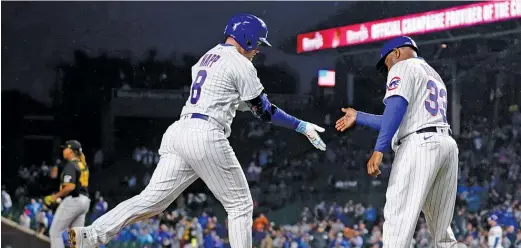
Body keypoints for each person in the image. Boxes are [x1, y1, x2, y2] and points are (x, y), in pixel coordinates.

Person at [69, 13, 326, 248]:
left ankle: (90, 235)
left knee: (150, 200)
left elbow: (230, 100)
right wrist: (301, 126)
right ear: (246, 39)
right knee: (240, 205)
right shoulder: (240, 63)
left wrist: (248, 106)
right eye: (257, 42)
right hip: (205, 133)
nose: (258, 49)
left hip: (180, 131)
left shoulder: (208, 56)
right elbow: (264, 112)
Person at [336, 36, 458, 247]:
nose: (388, 68)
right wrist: (359, 116)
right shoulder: (433, 74)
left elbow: (395, 108)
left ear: (397, 53)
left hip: (419, 146)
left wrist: (378, 149)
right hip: (445, 145)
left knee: (398, 219)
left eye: (387, 62)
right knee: (442, 232)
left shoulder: (402, 66)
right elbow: (397, 120)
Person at [47, 140, 91, 248]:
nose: (63, 150)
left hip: (74, 200)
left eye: (65, 148)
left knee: (55, 232)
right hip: (85, 201)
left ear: (71, 151)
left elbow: (70, 187)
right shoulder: (83, 165)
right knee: (75, 236)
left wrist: (55, 197)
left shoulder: (71, 165)